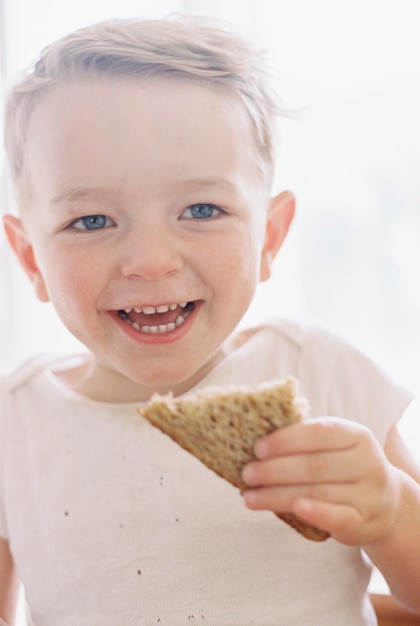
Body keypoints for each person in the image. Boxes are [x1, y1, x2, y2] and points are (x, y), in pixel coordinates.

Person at [1, 15, 419, 626]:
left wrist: (390, 509)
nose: (149, 261)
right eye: (91, 221)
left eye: (201, 209)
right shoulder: (15, 426)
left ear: (269, 237)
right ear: (32, 259)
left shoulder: (322, 376)